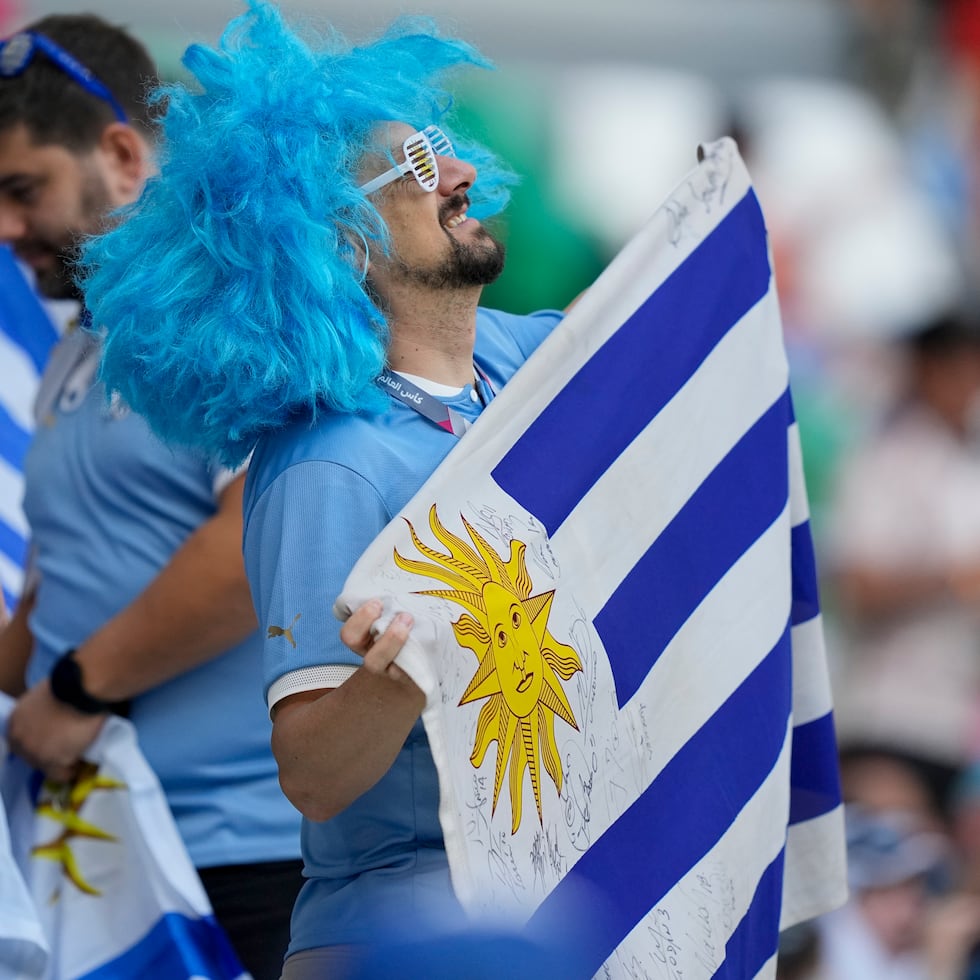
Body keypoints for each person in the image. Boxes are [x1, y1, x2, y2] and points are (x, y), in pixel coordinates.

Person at [76, 3, 577, 975]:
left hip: (524, 924)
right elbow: (312, 774)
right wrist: (399, 673)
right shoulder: (326, 467)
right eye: (421, 167)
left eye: (442, 146)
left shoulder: (522, 360)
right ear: (339, 244)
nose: (462, 170)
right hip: (391, 942)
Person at [0, 15, 303, 978]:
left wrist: (77, 690)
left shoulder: (231, 312)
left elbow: (252, 545)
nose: (5, 231)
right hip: (104, 853)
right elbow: (70, 576)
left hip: (243, 861)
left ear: (123, 153)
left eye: (22, 190)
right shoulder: (80, 343)